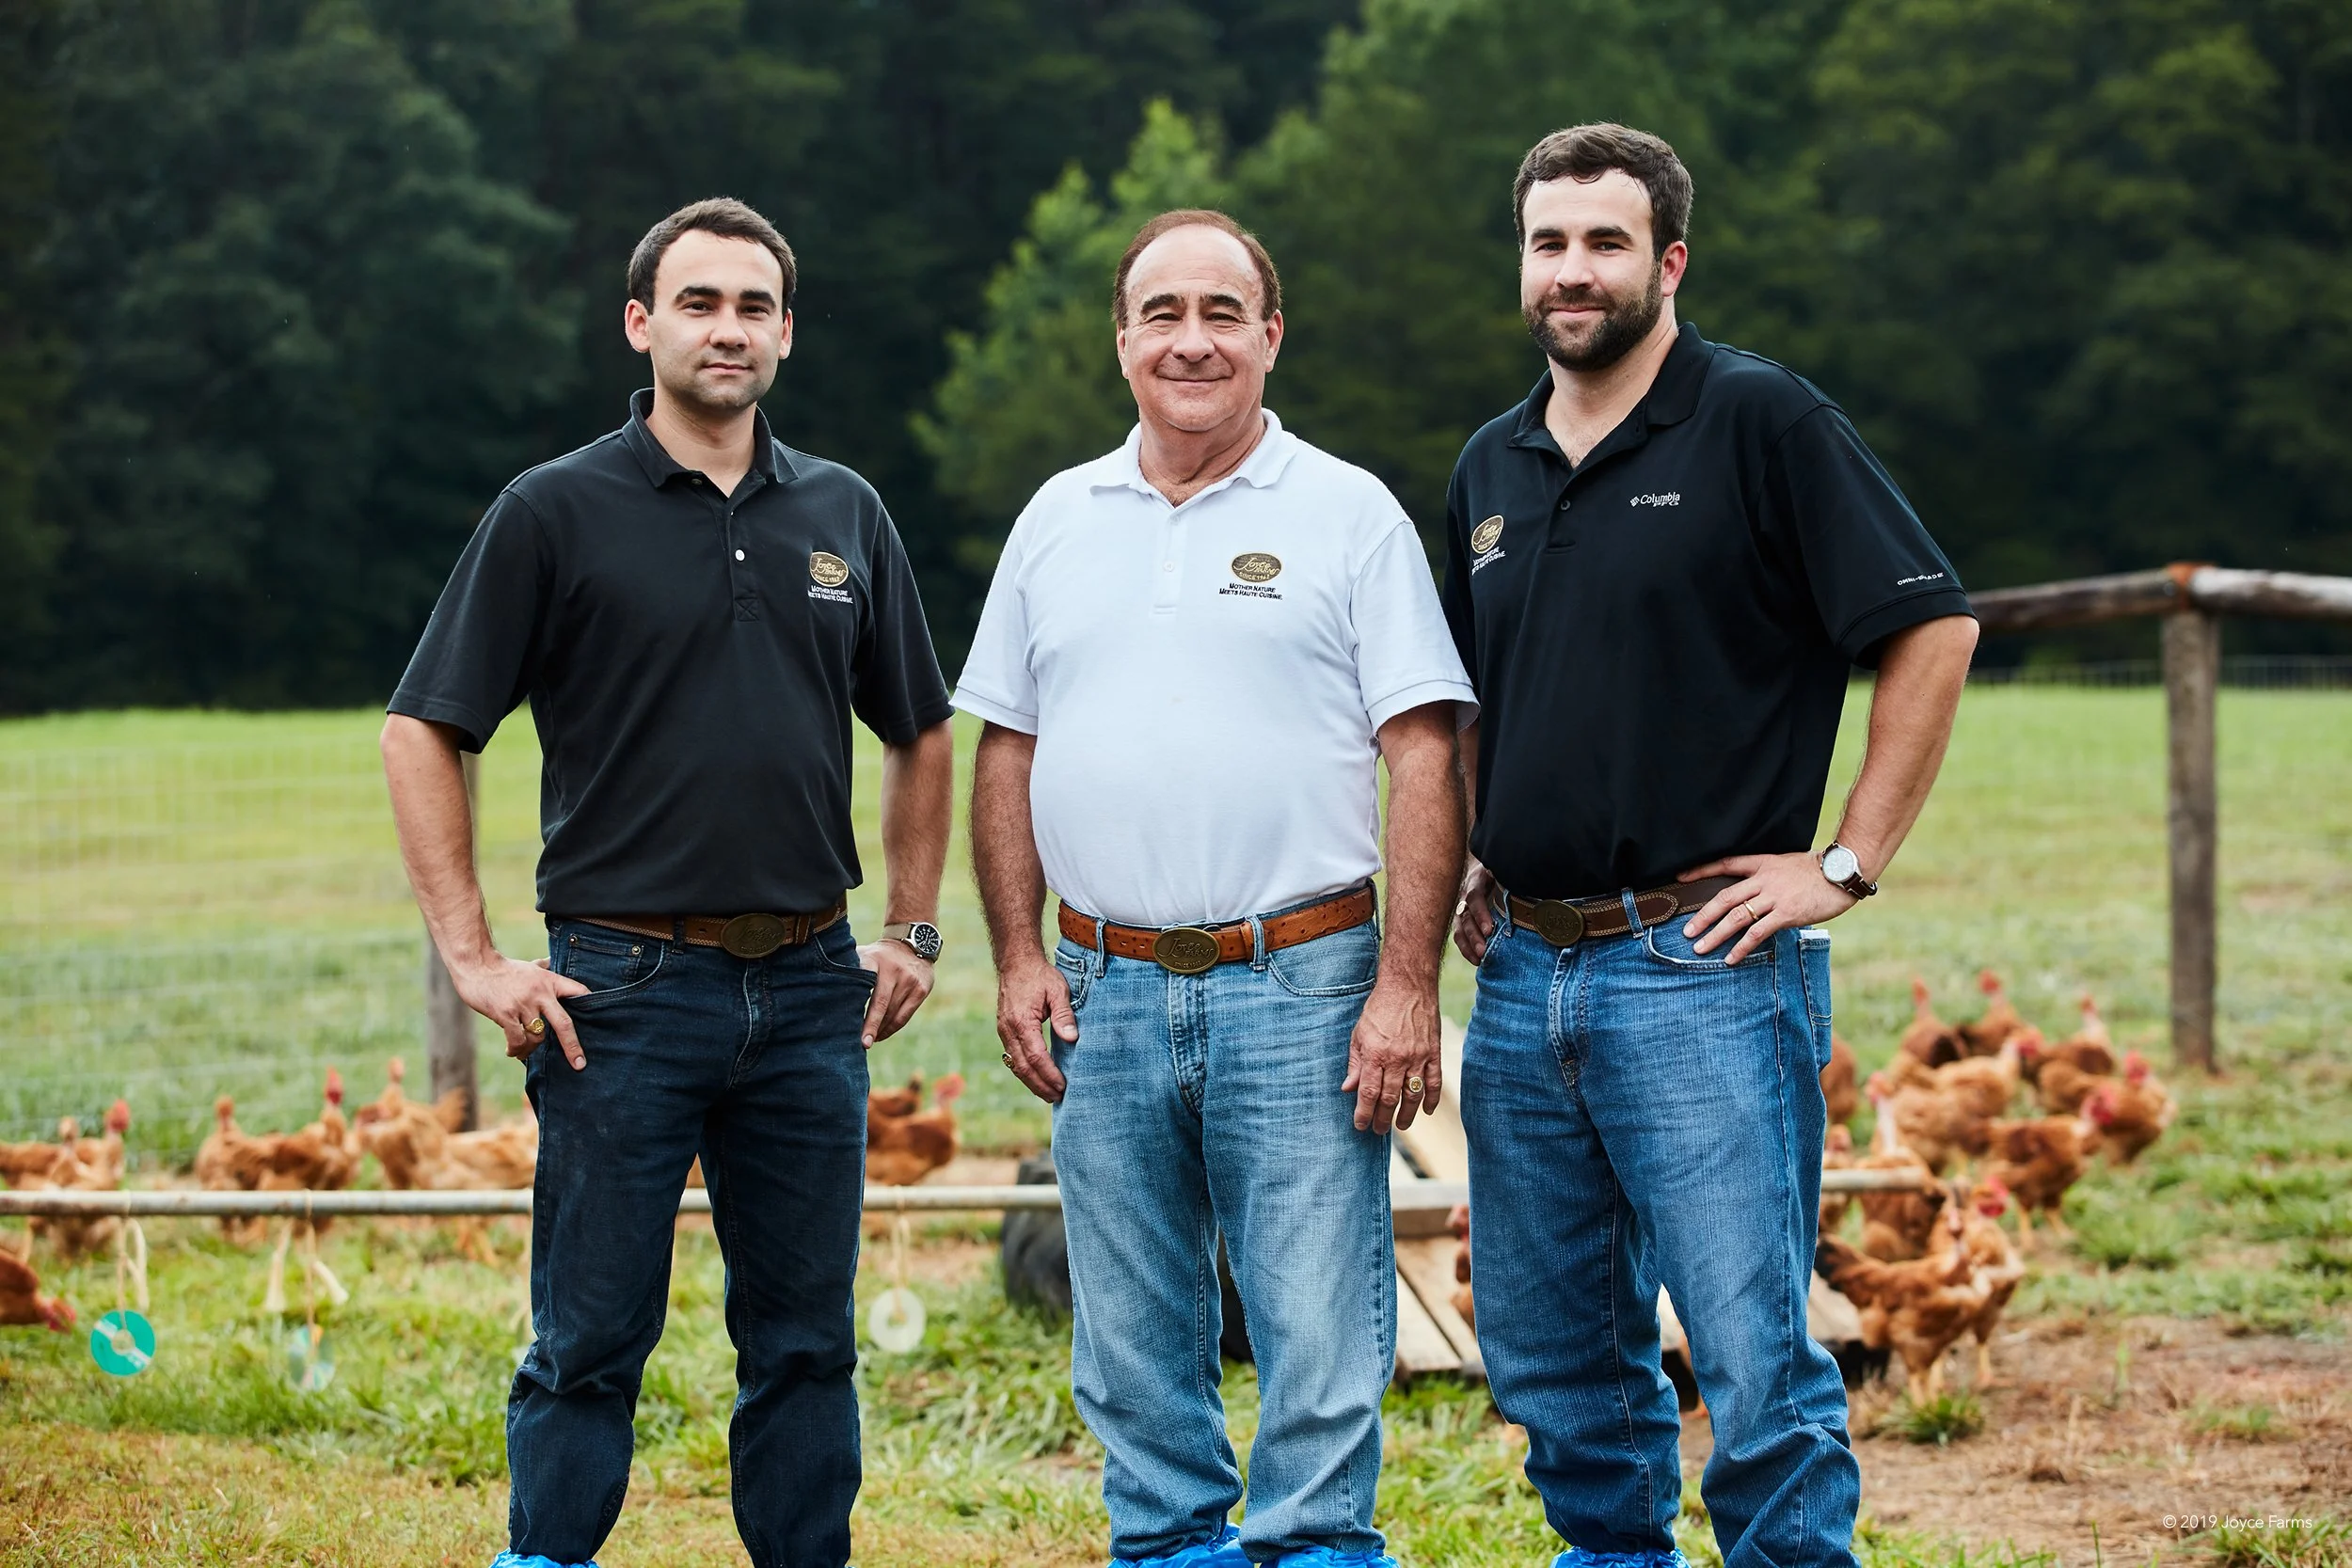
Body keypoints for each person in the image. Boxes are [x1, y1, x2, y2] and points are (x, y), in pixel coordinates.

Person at [381, 197, 955, 1568]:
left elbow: (923, 729)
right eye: (699, 303)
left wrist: (915, 928)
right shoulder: (554, 510)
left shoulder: (844, 512)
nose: (728, 329)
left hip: (815, 987)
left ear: (787, 334)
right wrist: (472, 956)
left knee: (809, 1339)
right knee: (588, 1335)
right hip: (621, 987)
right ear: (641, 324)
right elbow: (424, 727)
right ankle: (550, 1555)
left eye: (753, 307)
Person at [1442, 126, 1980, 1568]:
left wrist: (1847, 862)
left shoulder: (1760, 421)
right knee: (1557, 1357)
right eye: (1549, 242)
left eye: (1606, 242)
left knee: (1753, 1358)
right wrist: (1487, 847)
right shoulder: (1489, 463)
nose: (1574, 269)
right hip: (1522, 976)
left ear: (1667, 261)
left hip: (1704, 961)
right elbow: (1479, 692)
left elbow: (1935, 625)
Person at [961, 209, 1474, 1568]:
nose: (1193, 341)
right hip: (1102, 980)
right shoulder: (1056, 519)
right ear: (1122, 338)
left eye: (1223, 314)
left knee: (1317, 1313)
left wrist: (1407, 983)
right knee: (1130, 1318)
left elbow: (1423, 747)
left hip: (1301, 974)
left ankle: (1314, 1545)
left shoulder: (1347, 512)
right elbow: (1003, 747)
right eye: (1163, 314)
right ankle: (1171, 1543)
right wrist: (1019, 958)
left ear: (1271, 335)